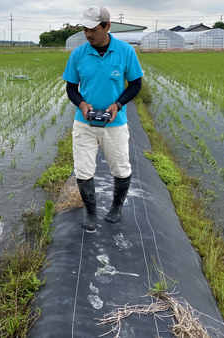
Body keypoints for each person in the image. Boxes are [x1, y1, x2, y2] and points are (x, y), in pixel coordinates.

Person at [62, 5, 143, 231]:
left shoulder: (126, 51)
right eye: (85, 29)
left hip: (114, 123)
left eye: (93, 29)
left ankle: (116, 207)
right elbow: (71, 87)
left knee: (120, 168)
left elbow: (136, 84)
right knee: (83, 170)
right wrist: (82, 104)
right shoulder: (78, 54)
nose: (88, 34)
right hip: (84, 123)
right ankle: (91, 212)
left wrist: (118, 105)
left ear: (107, 26)